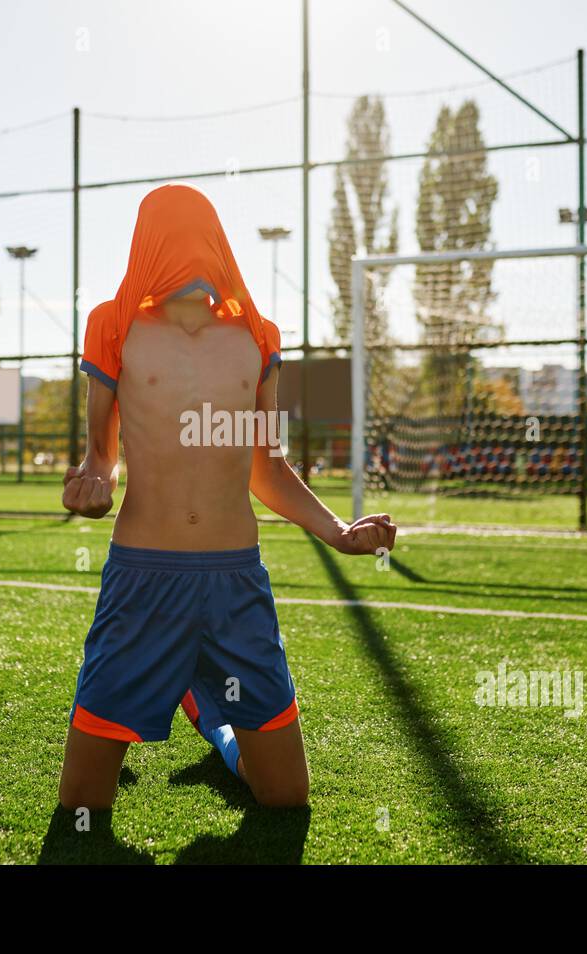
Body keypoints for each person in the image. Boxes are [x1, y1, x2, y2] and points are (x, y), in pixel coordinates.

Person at [58, 182, 397, 810]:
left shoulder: (258, 336)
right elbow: (101, 457)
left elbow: (266, 467)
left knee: (286, 796)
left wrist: (339, 531)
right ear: (147, 241)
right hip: (142, 578)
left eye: (198, 227)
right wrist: (92, 492)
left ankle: (214, 722)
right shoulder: (113, 324)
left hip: (236, 582)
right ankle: (186, 687)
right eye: (170, 226)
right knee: (83, 805)